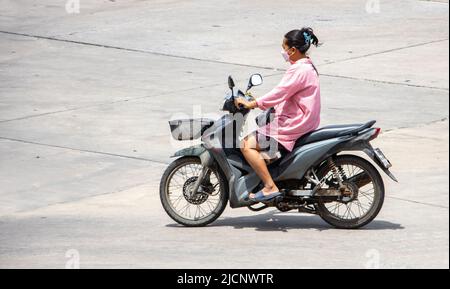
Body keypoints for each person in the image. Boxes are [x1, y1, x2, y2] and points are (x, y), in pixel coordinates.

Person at [234, 27, 321, 203]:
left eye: (284, 48)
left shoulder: (298, 70)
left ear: (293, 50)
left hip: (295, 122)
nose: (283, 52)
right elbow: (288, 94)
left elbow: (280, 92)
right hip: (305, 119)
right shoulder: (307, 65)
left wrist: (254, 103)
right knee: (264, 132)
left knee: (246, 145)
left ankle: (269, 186)